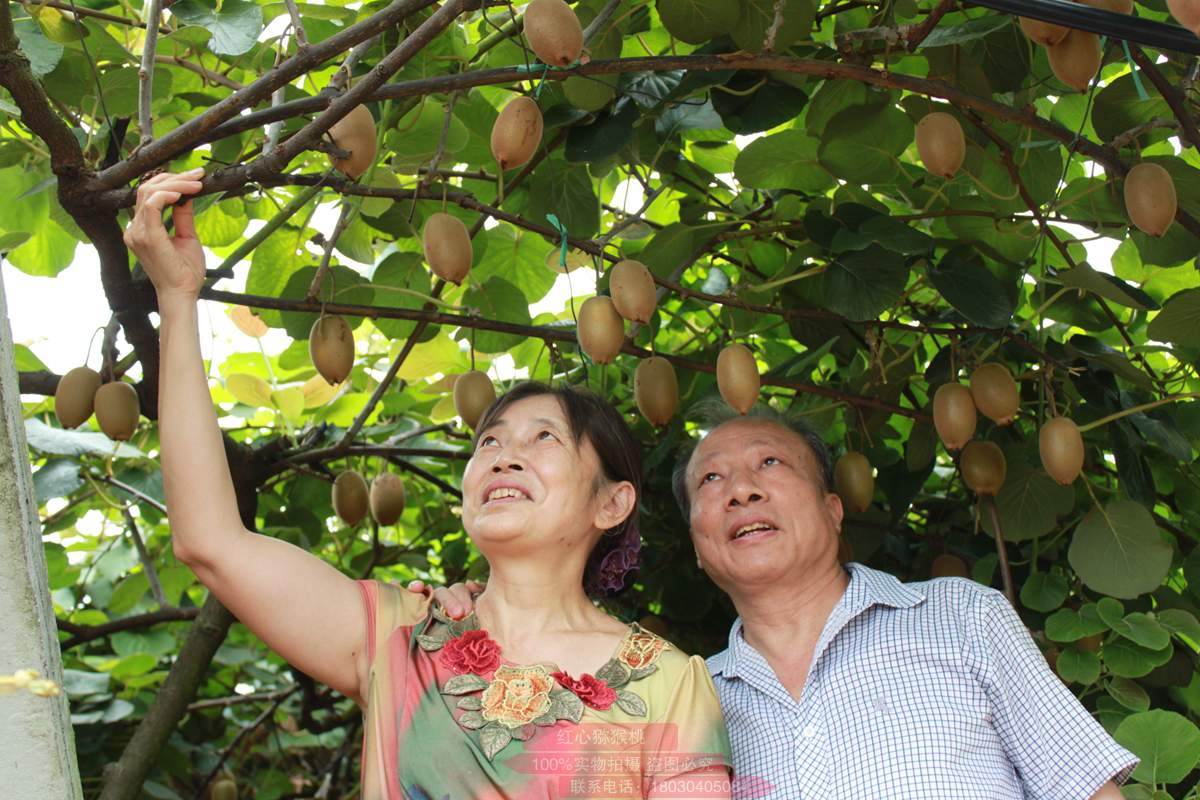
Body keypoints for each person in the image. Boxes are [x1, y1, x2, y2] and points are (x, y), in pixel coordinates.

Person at [122, 171, 732, 799]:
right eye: (489, 441)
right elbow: (209, 540)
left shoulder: (669, 683)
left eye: (543, 438)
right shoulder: (399, 637)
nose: (503, 456)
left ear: (613, 502)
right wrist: (177, 295)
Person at [432, 400, 1140, 800]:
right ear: (702, 546)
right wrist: (482, 615)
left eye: (770, 464)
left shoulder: (961, 617)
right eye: (711, 481)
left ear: (834, 508)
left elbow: (1088, 790)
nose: (740, 489)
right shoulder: (679, 696)